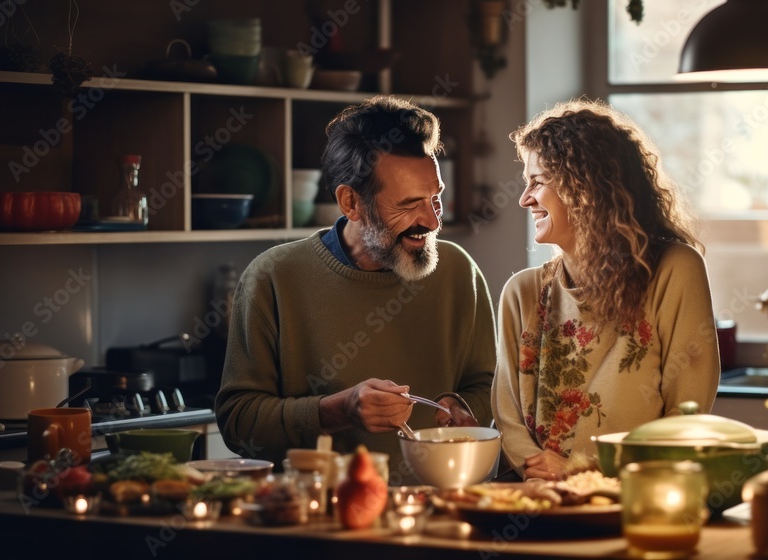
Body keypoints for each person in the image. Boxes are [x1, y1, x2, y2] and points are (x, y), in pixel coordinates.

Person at [215, 96, 496, 485]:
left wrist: (462, 405)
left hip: (442, 516)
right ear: (351, 202)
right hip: (323, 523)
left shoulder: (458, 271)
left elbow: (487, 385)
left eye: (436, 198)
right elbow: (238, 423)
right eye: (410, 204)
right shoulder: (273, 277)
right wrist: (338, 410)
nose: (432, 221)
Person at [492, 99, 720, 481]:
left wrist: (581, 472)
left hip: (637, 494)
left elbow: (687, 411)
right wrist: (547, 473)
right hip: (538, 494)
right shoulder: (523, 293)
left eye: (538, 181)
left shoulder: (674, 269)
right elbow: (508, 417)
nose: (524, 198)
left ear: (585, 187)